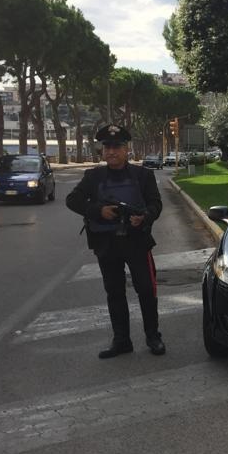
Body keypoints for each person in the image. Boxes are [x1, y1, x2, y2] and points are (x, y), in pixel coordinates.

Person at [66, 124, 165, 359]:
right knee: (115, 293)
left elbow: (156, 204)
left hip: (137, 242)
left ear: (126, 149)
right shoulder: (93, 177)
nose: (111, 152)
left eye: (116, 147)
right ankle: (121, 341)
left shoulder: (143, 175)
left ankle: (153, 336)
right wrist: (98, 211)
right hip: (106, 244)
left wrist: (144, 217)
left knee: (146, 290)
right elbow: (72, 200)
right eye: (107, 147)